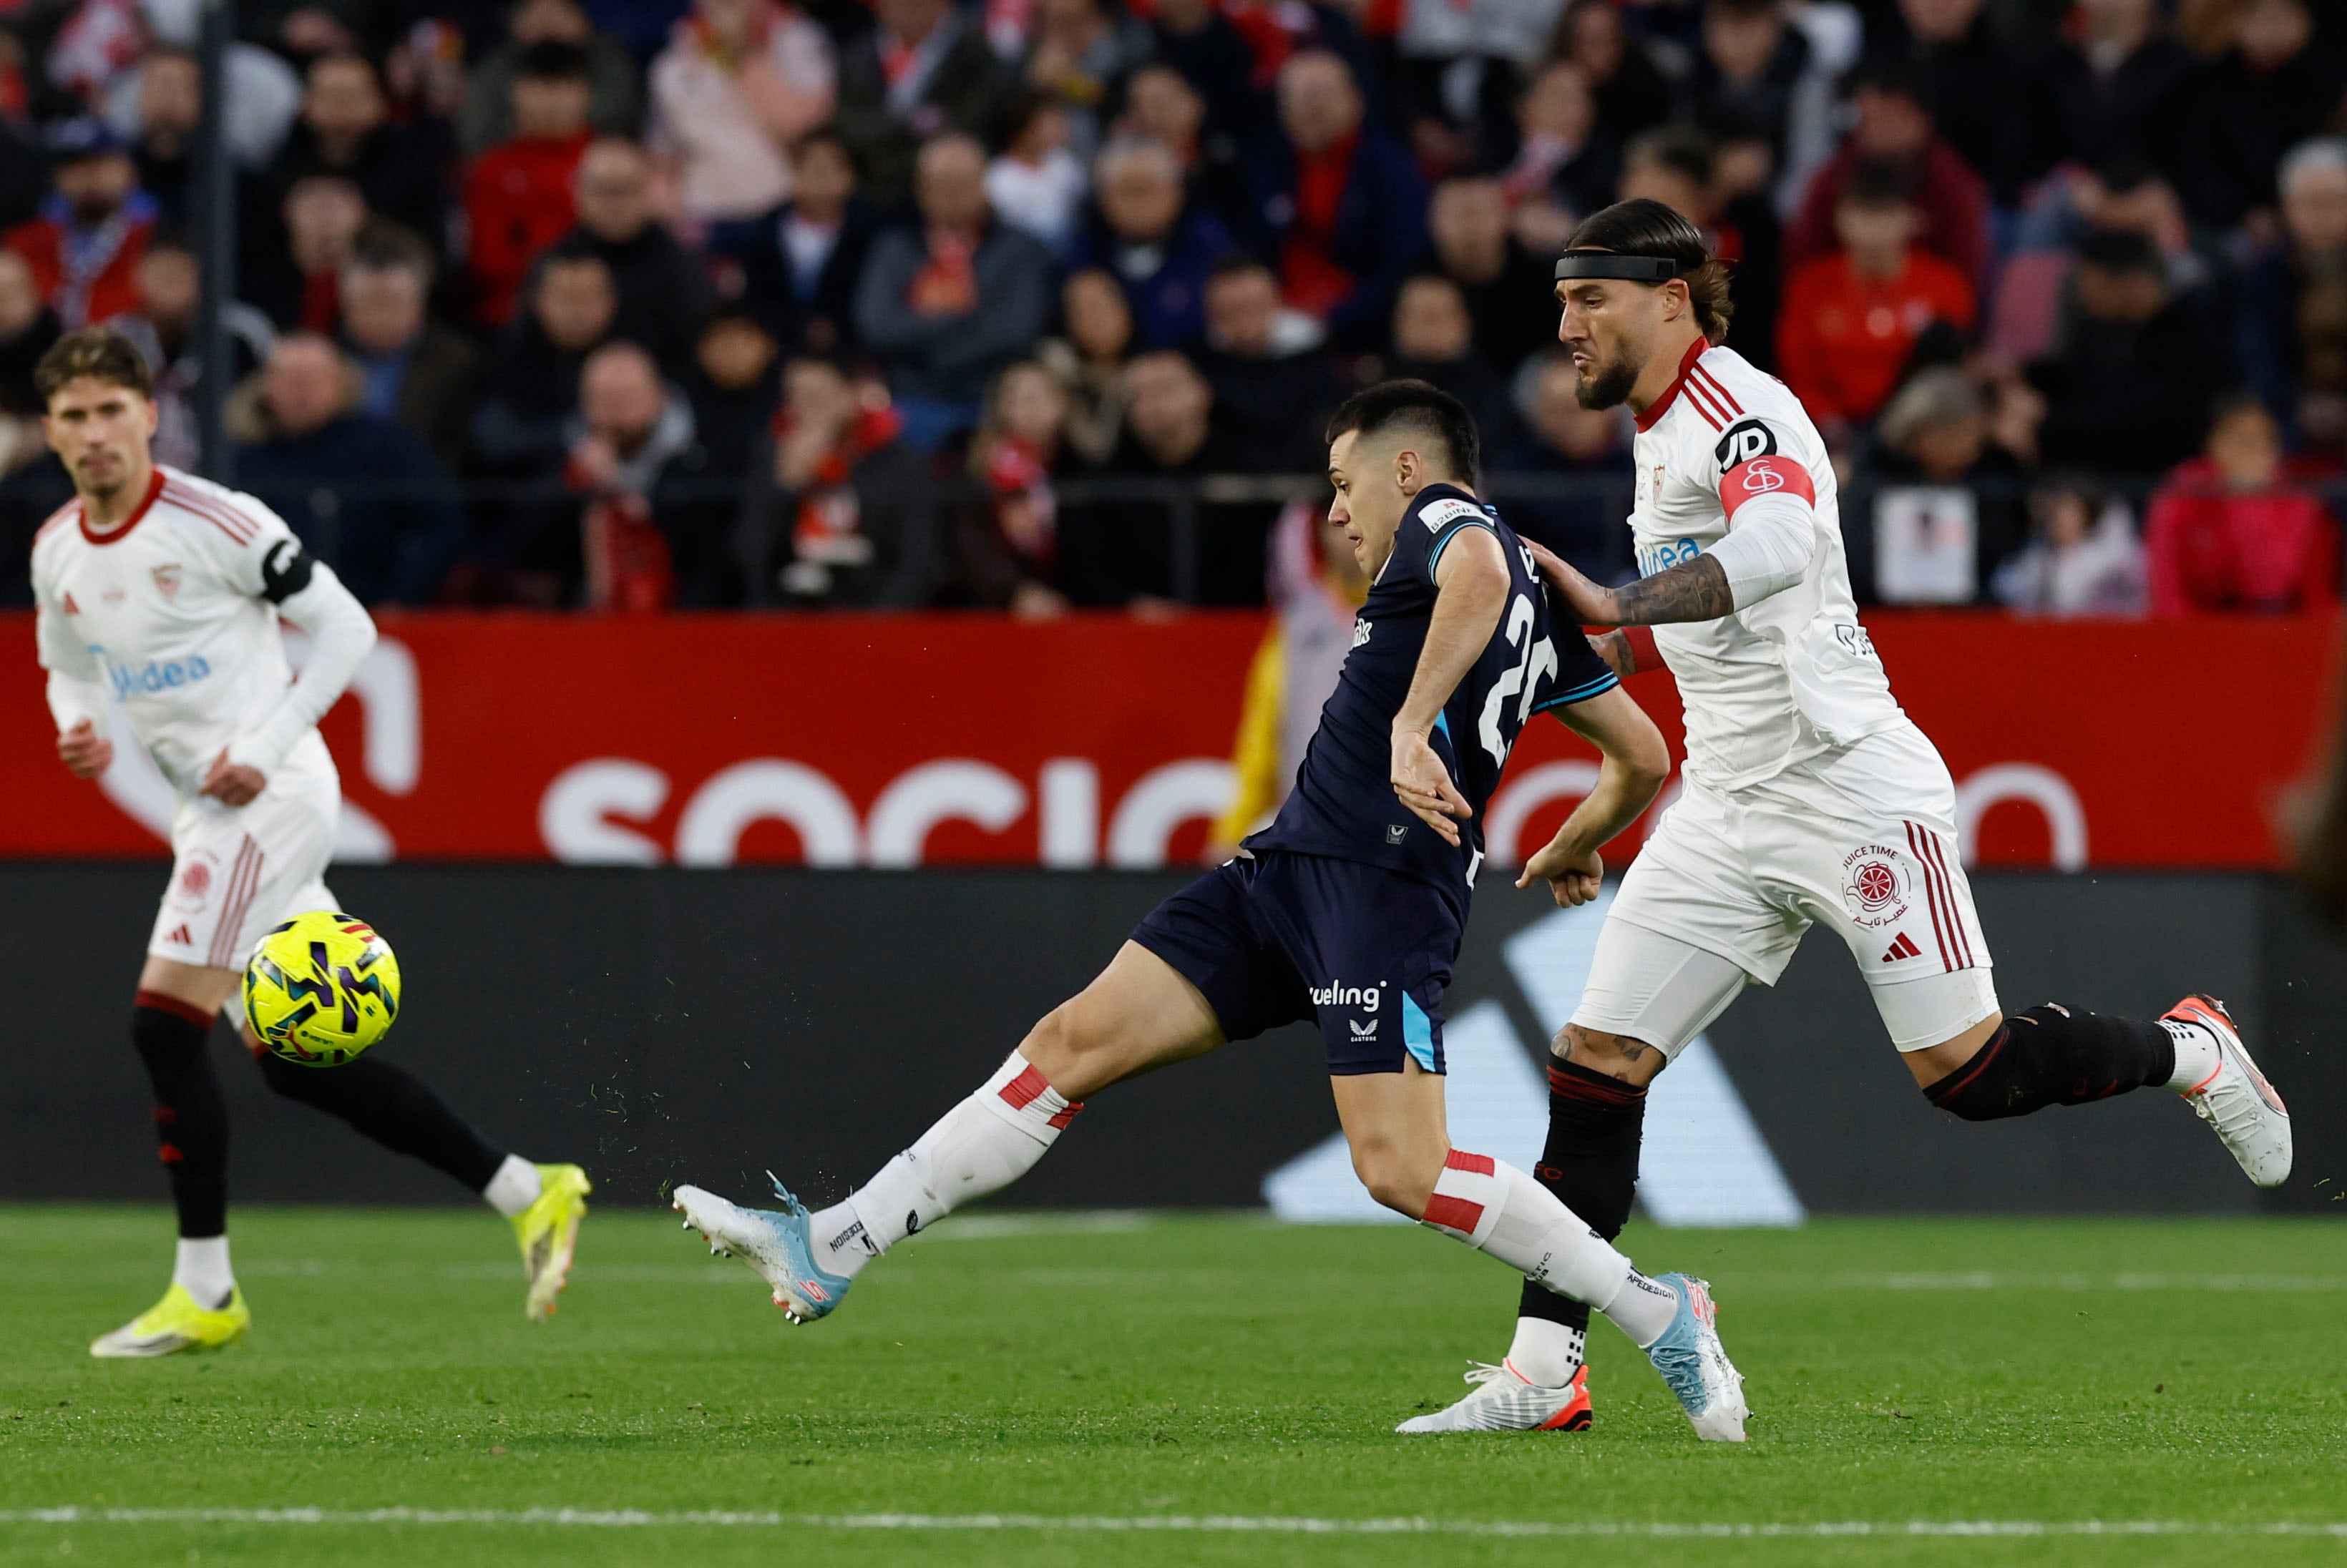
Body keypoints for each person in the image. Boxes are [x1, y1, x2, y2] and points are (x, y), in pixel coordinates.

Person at [672, 380, 1752, 1444]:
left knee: (1400, 1169)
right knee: (1068, 1044)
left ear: (1408, 470)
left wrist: (1411, 727)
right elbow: (1645, 754)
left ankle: (1659, 1311)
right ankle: (837, 1243)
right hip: (1285, 875)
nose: (1335, 513)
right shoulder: (1532, 600)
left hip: (1381, 891)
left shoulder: (1450, 525)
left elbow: (1472, 565)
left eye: (1344, 483)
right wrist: (1578, 837)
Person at [1399, 200, 2292, 1436]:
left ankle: (2191, 1049)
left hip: (1846, 784)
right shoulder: (1656, 438)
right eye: (1560, 302)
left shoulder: (1740, 408)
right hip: (1723, 798)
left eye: (1589, 299)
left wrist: (1608, 598)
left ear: (1672, 295)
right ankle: (1547, 1368)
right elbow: (1695, 623)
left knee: (1967, 1076)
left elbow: (1773, 546)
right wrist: (1606, 746)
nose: (1567, 327)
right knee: (1596, 1064)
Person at [26, 329, 591, 1357]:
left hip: (271, 791)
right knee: (291, 1060)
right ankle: (528, 1189)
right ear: (52, 431)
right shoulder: (59, 544)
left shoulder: (218, 520)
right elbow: (62, 655)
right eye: (74, 416)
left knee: (163, 1024)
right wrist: (79, 720)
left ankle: (206, 1289)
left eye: (113, 411)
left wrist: (266, 741)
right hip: (214, 808)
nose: (95, 433)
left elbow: (348, 630)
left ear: (150, 416)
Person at [233, 333, 468, 607]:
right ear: (265, 386)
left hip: (368, 609)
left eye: (314, 378)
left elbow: (444, 523)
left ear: (343, 383)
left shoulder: (387, 447)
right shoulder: (240, 457)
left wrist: (400, 595)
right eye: (289, 378)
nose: (301, 391)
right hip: (266, 615)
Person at [852, 133, 1054, 452]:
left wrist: (929, 333)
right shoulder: (893, 249)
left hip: (993, 397)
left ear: (985, 185)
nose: (953, 194)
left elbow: (1016, 330)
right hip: (912, 398)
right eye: (942, 184)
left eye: (963, 183)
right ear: (921, 189)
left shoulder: (1020, 250)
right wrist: (965, 318)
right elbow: (877, 326)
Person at [1775, 163, 1974, 432]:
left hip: (1915, 432)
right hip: (1825, 432)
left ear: (1912, 219)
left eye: (1887, 215)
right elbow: (1796, 370)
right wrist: (1826, 421)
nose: (1875, 230)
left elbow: (1951, 374)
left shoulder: (1945, 285)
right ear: (1840, 218)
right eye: (1864, 214)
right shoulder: (1810, 285)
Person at [2144, 397, 2340, 616]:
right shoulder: (2181, 493)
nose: (2254, 451)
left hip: (2276, 632)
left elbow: (2272, 586)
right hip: (2196, 631)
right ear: (2212, 443)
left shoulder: (2299, 501)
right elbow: (2166, 589)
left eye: (2264, 440)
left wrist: (2248, 500)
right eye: (2241, 439)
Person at [647, 0, 836, 225]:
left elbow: (804, 130)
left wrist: (742, 57)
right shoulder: (671, 65)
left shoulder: (797, 40)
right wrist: (672, 214)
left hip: (776, 209)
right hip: (701, 214)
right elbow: (661, 157)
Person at [463, 40, 597, 328]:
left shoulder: (605, 163)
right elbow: (488, 261)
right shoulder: (493, 169)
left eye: (562, 86)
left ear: (584, 94)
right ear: (516, 93)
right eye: (539, 86)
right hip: (510, 316)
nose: (550, 100)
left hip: (595, 310)